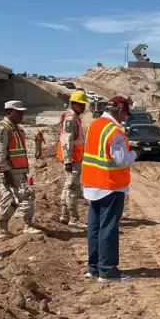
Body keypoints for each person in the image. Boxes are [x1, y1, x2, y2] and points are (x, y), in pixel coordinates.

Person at [81, 95, 139, 283]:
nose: (125, 118)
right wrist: (135, 153)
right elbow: (121, 159)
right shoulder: (114, 131)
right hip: (110, 185)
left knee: (95, 228)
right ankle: (107, 270)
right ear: (120, 110)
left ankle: (94, 268)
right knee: (108, 229)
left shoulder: (93, 126)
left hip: (92, 184)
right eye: (125, 113)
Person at [0, 100, 39, 237]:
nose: (22, 115)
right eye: (18, 113)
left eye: (22, 113)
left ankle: (2, 230)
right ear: (9, 112)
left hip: (18, 170)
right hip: (11, 170)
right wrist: (5, 171)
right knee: (28, 194)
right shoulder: (3, 128)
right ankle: (28, 225)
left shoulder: (16, 128)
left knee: (9, 199)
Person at [58, 90, 88, 226]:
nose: (83, 107)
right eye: (81, 105)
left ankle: (65, 216)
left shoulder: (74, 118)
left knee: (68, 187)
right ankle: (73, 219)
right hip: (73, 161)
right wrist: (68, 161)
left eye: (84, 105)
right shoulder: (70, 120)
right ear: (74, 104)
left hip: (75, 160)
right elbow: (67, 141)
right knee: (72, 189)